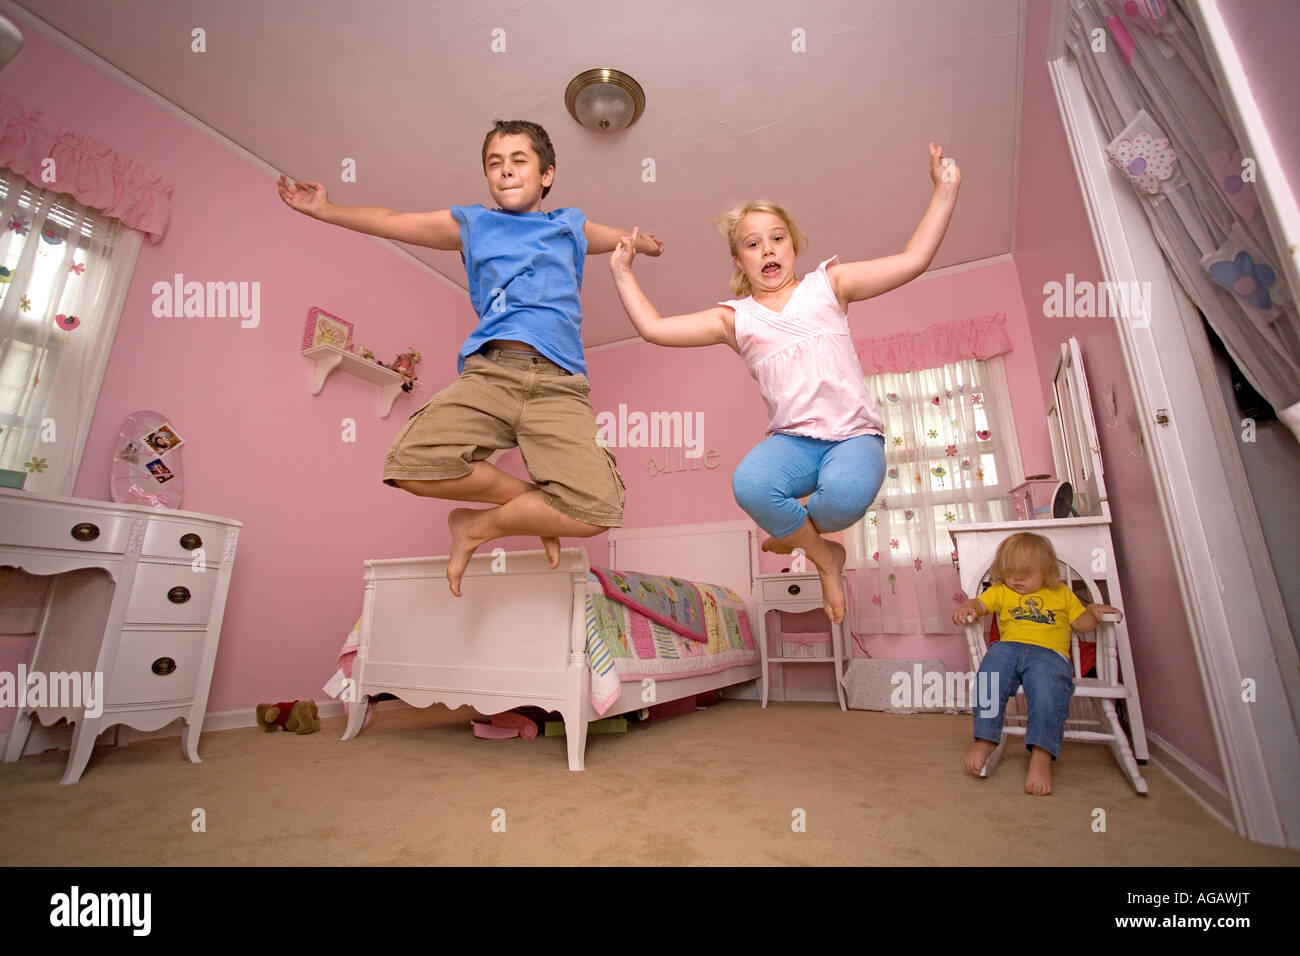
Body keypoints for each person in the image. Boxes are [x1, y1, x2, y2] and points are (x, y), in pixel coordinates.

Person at [278, 119, 663, 594]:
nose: (505, 172)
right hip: (492, 374)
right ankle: (534, 503)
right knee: (411, 463)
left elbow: (618, 239)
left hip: (560, 387)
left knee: (597, 511)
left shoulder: (568, 225)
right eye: (494, 164)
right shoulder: (473, 224)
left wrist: (642, 244)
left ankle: (477, 527)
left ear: (547, 174)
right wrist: (326, 210)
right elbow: (393, 220)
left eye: (519, 161)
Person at [607, 144, 961, 623]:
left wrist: (945, 189)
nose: (767, 249)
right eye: (752, 244)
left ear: (794, 245)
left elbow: (914, 259)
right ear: (739, 260)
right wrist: (622, 272)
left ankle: (804, 535)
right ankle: (823, 555)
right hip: (794, 442)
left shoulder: (828, 287)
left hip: (854, 437)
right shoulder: (736, 319)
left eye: (777, 238)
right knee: (751, 484)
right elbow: (655, 329)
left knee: (840, 500)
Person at [953, 532, 1124, 795]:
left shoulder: (1061, 593)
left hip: (1049, 655)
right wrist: (970, 606)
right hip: (1008, 649)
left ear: (1046, 571)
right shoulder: (1002, 591)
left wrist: (1093, 613)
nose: (1016, 579)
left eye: (1025, 573)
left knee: (1048, 692)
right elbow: (981, 603)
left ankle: (1042, 755)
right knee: (988, 678)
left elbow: (1080, 624)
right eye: (1010, 573)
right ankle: (984, 738)